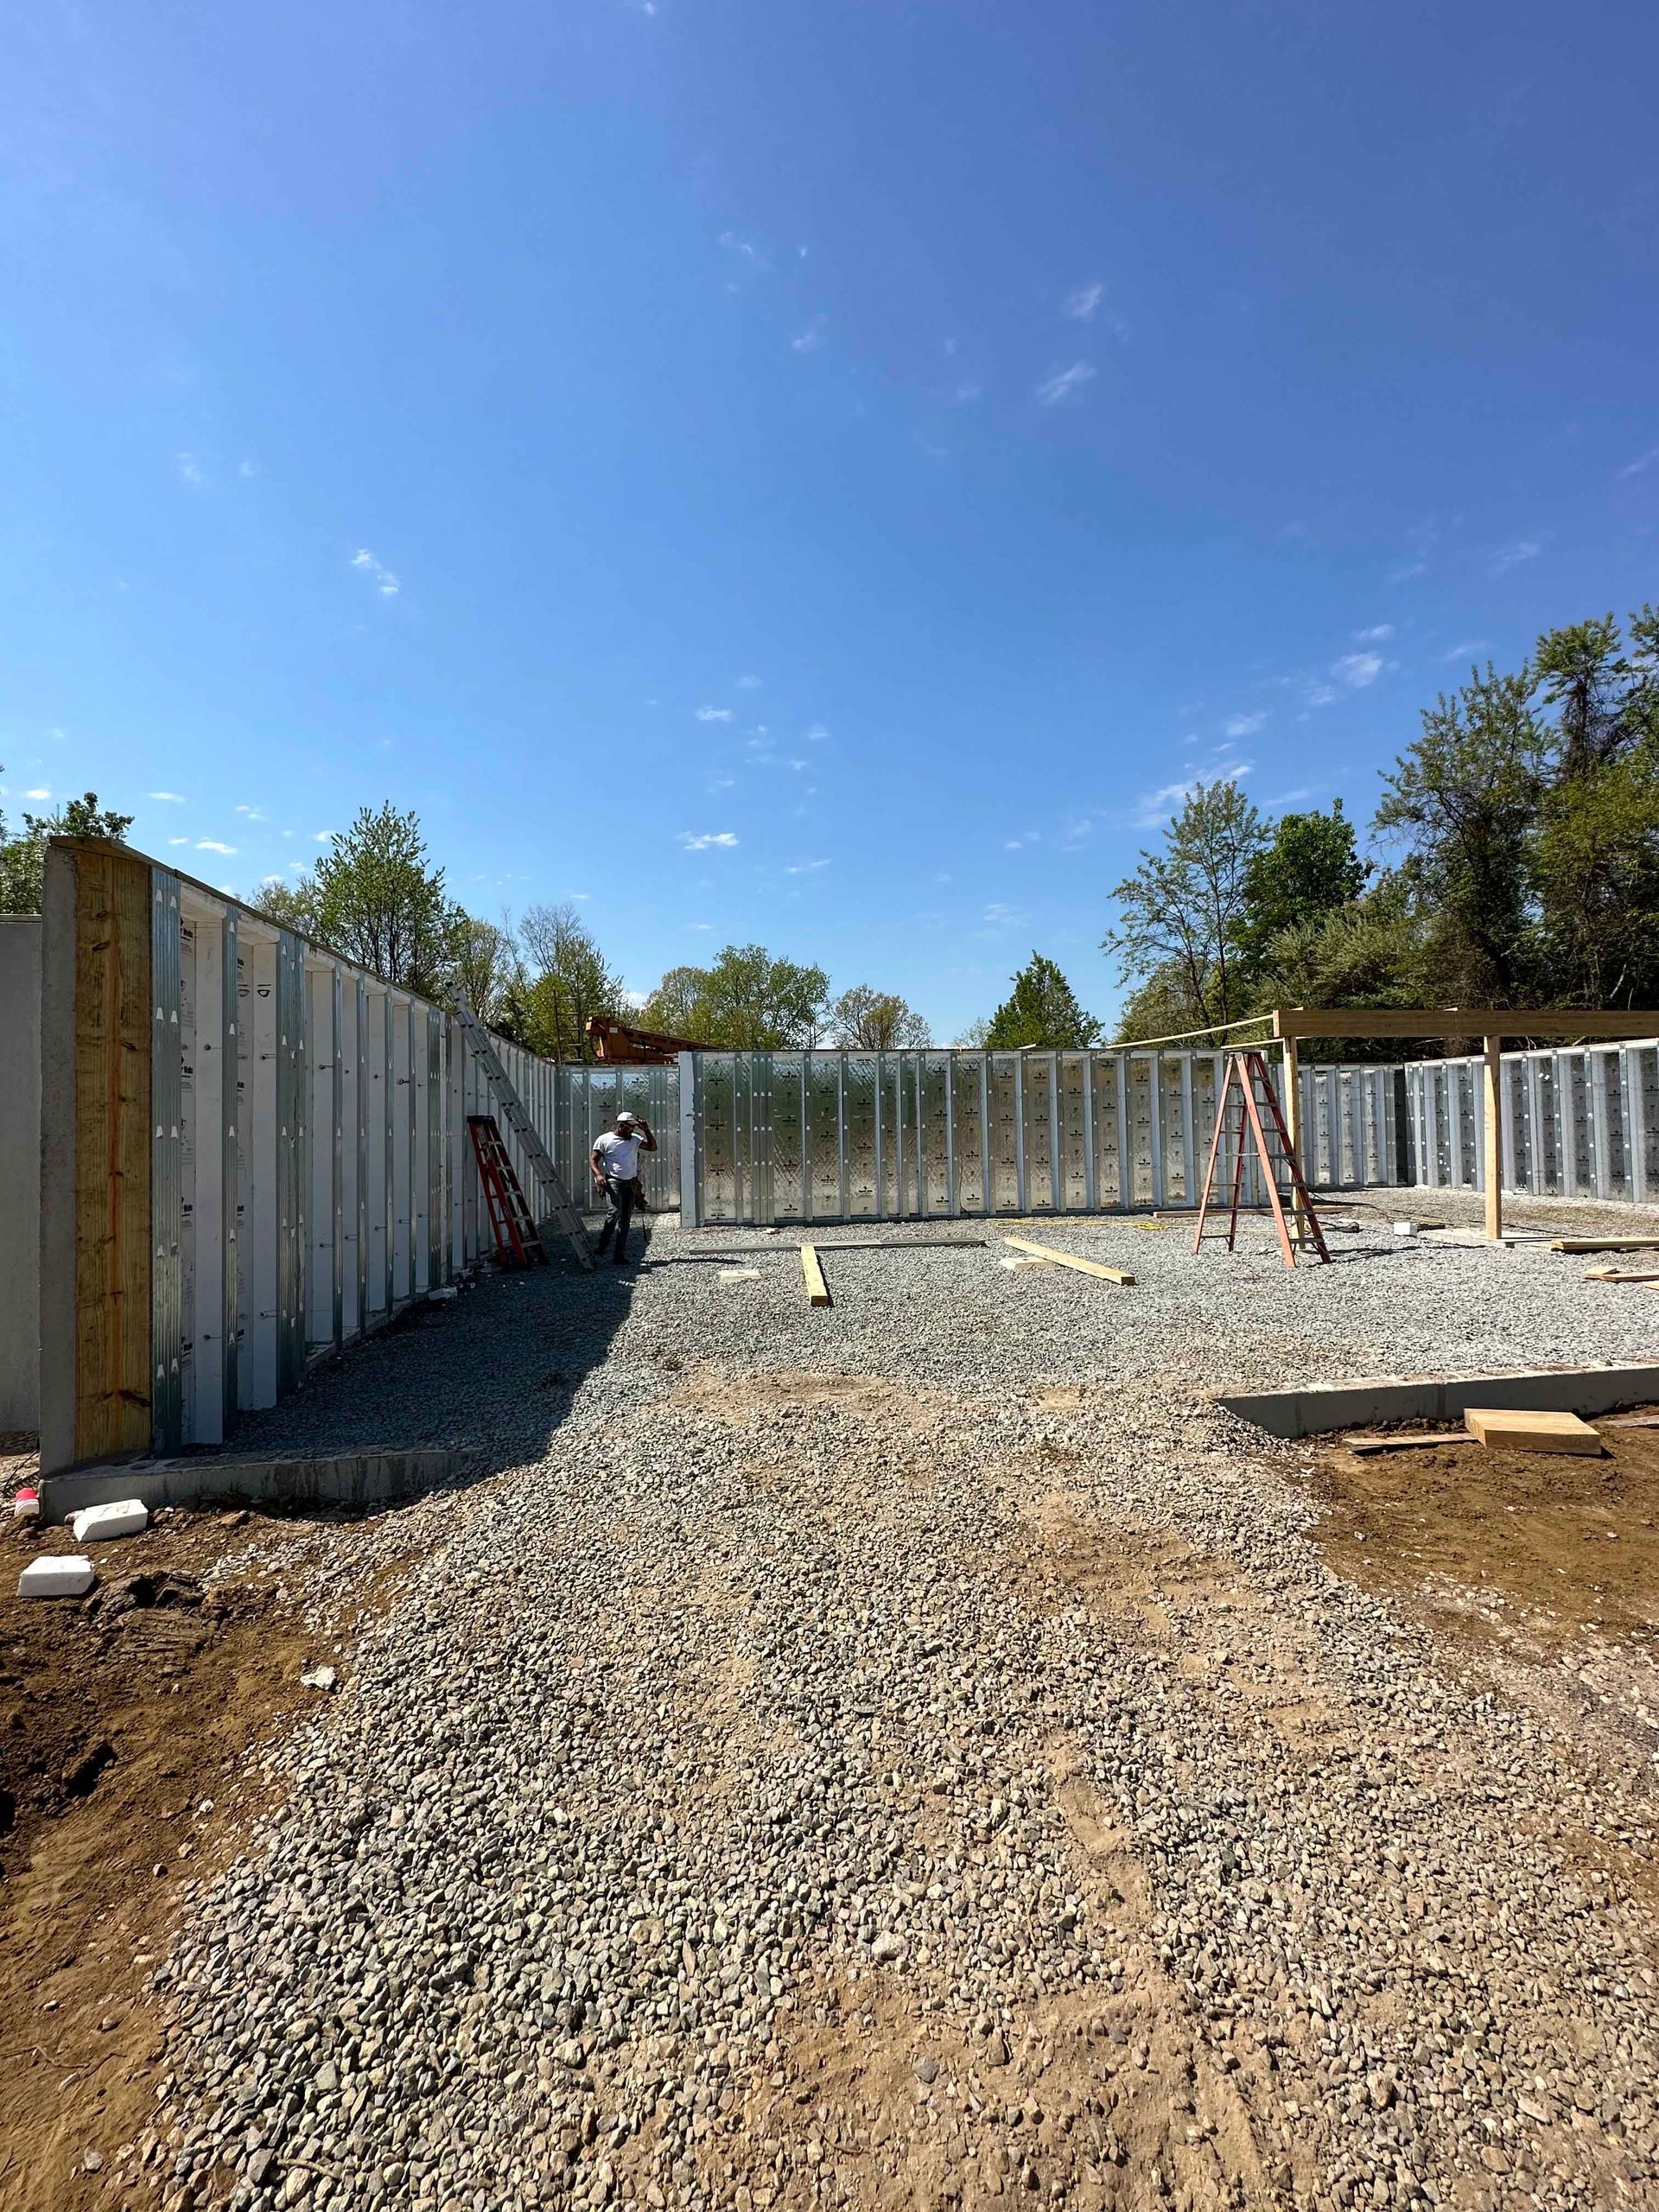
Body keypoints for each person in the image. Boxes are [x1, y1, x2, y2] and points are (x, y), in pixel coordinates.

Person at [590, 1109, 657, 1266]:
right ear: (621, 1126)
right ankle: (603, 1245)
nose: (632, 1129)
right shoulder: (604, 1139)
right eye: (629, 1127)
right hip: (614, 1181)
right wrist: (599, 1175)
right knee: (614, 1212)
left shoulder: (634, 1139)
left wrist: (646, 1130)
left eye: (633, 1127)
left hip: (630, 1183)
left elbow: (653, 1147)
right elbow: (593, 1160)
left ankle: (619, 1254)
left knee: (626, 1218)